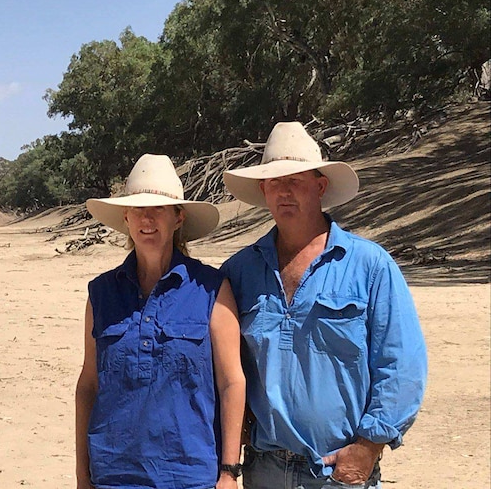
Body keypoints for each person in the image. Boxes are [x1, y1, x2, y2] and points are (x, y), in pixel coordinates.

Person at [220, 122, 427, 489]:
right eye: (273, 182)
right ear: (262, 191)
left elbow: (401, 365)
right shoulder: (238, 272)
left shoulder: (369, 265)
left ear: (320, 186)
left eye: (295, 180)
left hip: (337, 469)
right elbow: (222, 366)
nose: (284, 191)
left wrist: (367, 448)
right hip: (262, 469)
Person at [75, 154, 246, 489]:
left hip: (190, 474)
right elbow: (88, 386)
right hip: (113, 474)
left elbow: (232, 382)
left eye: (158, 209)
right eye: (138, 209)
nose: (147, 218)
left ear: (178, 218)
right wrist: (83, 475)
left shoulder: (211, 288)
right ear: (125, 217)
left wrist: (229, 471)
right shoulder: (101, 293)